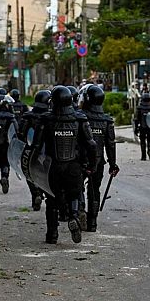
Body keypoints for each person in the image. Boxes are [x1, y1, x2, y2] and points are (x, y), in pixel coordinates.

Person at [31, 86, 97, 244]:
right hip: (73, 166)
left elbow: (36, 146)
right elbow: (91, 145)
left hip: (52, 166)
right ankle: (73, 216)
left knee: (52, 200)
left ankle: (52, 234)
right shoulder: (80, 119)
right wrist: (92, 165)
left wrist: (32, 166)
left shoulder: (46, 119)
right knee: (74, 194)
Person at [81, 85, 118, 232]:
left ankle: (79, 212)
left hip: (81, 160)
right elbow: (111, 144)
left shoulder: (81, 117)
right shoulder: (107, 120)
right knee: (94, 190)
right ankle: (92, 223)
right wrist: (113, 164)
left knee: (77, 188)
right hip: (98, 161)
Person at [18, 90, 51, 211]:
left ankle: (35, 194)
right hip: (47, 153)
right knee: (46, 175)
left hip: (30, 151)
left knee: (29, 174)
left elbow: (20, 134)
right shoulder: (50, 118)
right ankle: (45, 196)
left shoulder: (28, 116)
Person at [135, 93, 150, 161]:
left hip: (142, 127)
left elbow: (137, 119)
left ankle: (143, 155)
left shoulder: (139, 108)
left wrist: (136, 128)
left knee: (142, 141)